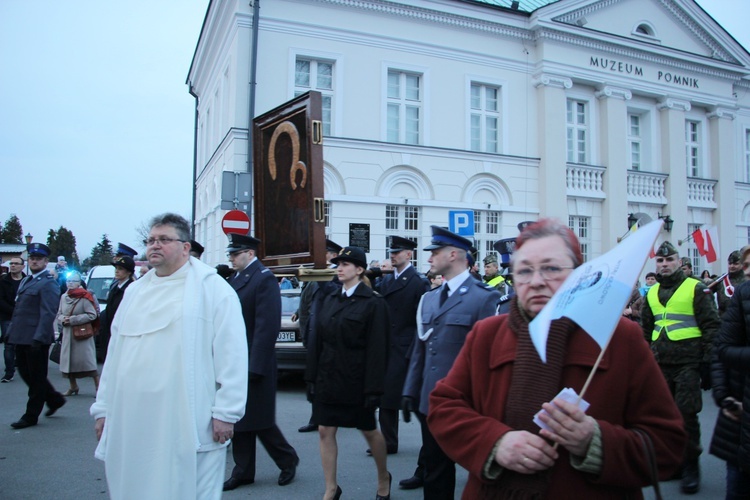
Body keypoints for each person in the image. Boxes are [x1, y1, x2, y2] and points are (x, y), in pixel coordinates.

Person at [427, 218, 687, 498]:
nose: (536, 281)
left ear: (579, 273)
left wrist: (595, 442)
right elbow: (444, 407)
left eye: (551, 268)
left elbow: (667, 445)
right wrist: (494, 443)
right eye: (524, 271)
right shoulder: (487, 334)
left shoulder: (620, 337)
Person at [90, 213, 248, 499]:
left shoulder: (212, 290)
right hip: (132, 415)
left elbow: (232, 355)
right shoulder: (135, 292)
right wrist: (102, 408)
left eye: (164, 240)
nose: (155, 246)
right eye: (150, 240)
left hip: (184, 415)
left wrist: (227, 412)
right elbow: (115, 355)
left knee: (184, 487)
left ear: (186, 247)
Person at [402, 225, 501, 499]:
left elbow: (488, 357)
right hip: (430, 400)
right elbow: (420, 349)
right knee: (435, 472)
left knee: (479, 472)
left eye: (435, 252)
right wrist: (410, 390)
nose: (430, 258)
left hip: (467, 402)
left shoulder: (484, 297)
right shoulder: (429, 298)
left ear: (454, 254)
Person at [305, 246, 392, 500]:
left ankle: (383, 478)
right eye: (338, 264)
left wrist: (375, 388)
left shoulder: (374, 303)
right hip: (328, 378)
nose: (339, 268)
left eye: (346, 264)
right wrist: (311, 377)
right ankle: (331, 487)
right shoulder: (330, 298)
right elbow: (317, 340)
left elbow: (379, 349)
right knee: (324, 430)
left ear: (359, 269)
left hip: (356, 380)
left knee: (369, 432)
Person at [641, 240, 721, 494]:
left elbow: (711, 326)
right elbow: (645, 331)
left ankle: (690, 466)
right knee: (664, 418)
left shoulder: (695, 288)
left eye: (669, 260)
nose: (664, 265)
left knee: (686, 416)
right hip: (659, 364)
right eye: (660, 261)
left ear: (679, 261)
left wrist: (709, 363)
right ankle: (674, 463)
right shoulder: (651, 292)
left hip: (688, 363)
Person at [223, 233, 300, 492]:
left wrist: (254, 366)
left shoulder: (264, 279)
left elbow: (266, 327)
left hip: (255, 362)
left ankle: (287, 459)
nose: (232, 258)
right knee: (240, 418)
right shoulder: (237, 279)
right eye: (231, 254)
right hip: (236, 360)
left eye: (236, 254)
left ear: (250, 254)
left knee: (260, 420)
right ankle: (243, 471)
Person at [375, 236, 430, 486]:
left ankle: (426, 449)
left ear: (409, 255)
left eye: (398, 252)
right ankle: (388, 440)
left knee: (410, 399)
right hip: (388, 343)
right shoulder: (387, 280)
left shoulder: (418, 282)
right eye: (392, 252)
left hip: (406, 345)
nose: (393, 255)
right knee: (386, 395)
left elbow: (421, 317)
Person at [7, 243, 65, 428]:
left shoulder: (48, 283)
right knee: (25, 373)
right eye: (32, 258)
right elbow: (19, 310)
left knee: (37, 377)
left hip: (36, 338)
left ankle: (31, 416)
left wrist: (39, 338)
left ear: (46, 262)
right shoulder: (27, 280)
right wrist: (10, 333)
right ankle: (54, 399)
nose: (34, 261)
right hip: (21, 336)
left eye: (38, 259)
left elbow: (48, 312)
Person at [710, 244, 750, 500]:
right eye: (745, 265)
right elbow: (721, 347)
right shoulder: (742, 294)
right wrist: (722, 394)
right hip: (740, 406)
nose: (746, 271)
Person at [295, 238, 343, 433]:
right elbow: (308, 298)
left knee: (326, 379)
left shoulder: (333, 274)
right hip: (312, 331)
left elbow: (334, 295)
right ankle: (318, 417)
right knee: (315, 378)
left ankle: (324, 417)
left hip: (325, 333)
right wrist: (300, 312)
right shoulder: (317, 273)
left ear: (332, 255)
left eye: (322, 252)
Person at [56, 272, 100, 395]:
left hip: (82, 334)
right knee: (68, 362)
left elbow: (92, 315)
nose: (70, 283)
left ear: (79, 283)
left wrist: (72, 320)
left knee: (88, 362)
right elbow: (59, 313)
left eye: (73, 281)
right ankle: (73, 386)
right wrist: (62, 319)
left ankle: (98, 388)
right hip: (67, 333)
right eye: (68, 281)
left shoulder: (85, 296)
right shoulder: (64, 297)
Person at [96, 256, 136, 363]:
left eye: (120, 269)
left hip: (122, 330)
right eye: (116, 268)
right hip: (109, 330)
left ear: (128, 272)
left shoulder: (131, 288)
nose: (117, 271)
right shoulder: (114, 286)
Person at [0, 257, 25, 382]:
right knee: (9, 345)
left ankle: (23, 366)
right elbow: (1, 300)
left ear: (22, 266)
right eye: (11, 263)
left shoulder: (27, 281)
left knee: (24, 344)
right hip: (7, 317)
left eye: (16, 263)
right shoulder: (3, 281)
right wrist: (14, 311)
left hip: (25, 317)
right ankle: (9, 372)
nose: (13, 266)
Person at [717, 250, 746, 317]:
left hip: (743, 321)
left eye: (736, 264)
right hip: (724, 321)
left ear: (742, 265)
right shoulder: (721, 280)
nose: (732, 266)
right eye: (730, 264)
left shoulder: (747, 281)